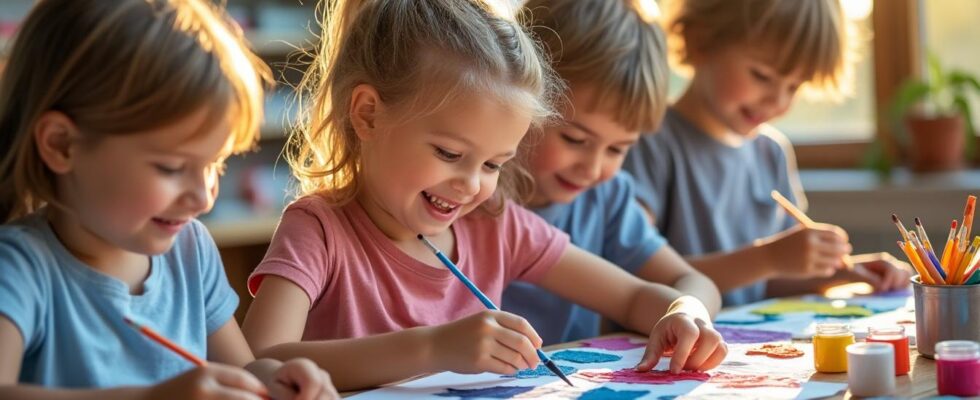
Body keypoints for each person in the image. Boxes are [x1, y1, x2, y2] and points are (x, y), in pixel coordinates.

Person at [241, 0, 727, 391]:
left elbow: (637, 296)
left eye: (494, 164)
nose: (473, 185)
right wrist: (433, 348)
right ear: (368, 115)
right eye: (450, 153)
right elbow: (261, 360)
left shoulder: (496, 225)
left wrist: (682, 313)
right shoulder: (318, 228)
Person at [0, 1, 337, 398]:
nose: (202, 198)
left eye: (215, 164)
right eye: (171, 168)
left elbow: (242, 369)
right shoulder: (18, 267)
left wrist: (275, 380)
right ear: (62, 145)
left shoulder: (190, 249)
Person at [623, 0, 911, 306]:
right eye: (762, 76)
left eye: (795, 86)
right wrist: (769, 257)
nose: (778, 101)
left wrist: (845, 273)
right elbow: (635, 274)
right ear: (699, 40)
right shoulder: (646, 142)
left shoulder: (771, 153)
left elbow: (768, 280)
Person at [502, 0, 721, 346]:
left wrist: (685, 313)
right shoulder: (469, 195)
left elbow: (693, 281)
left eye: (617, 149)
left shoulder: (607, 197)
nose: (592, 168)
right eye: (575, 139)